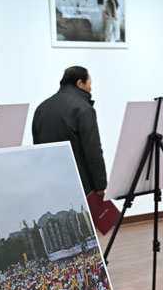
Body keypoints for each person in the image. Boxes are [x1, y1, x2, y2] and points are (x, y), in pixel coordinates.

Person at [32, 66, 108, 196]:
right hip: (81, 183)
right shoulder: (84, 109)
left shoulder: (41, 108)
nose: (90, 88)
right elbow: (93, 151)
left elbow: (38, 149)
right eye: (89, 84)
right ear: (79, 83)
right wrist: (100, 185)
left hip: (51, 183)